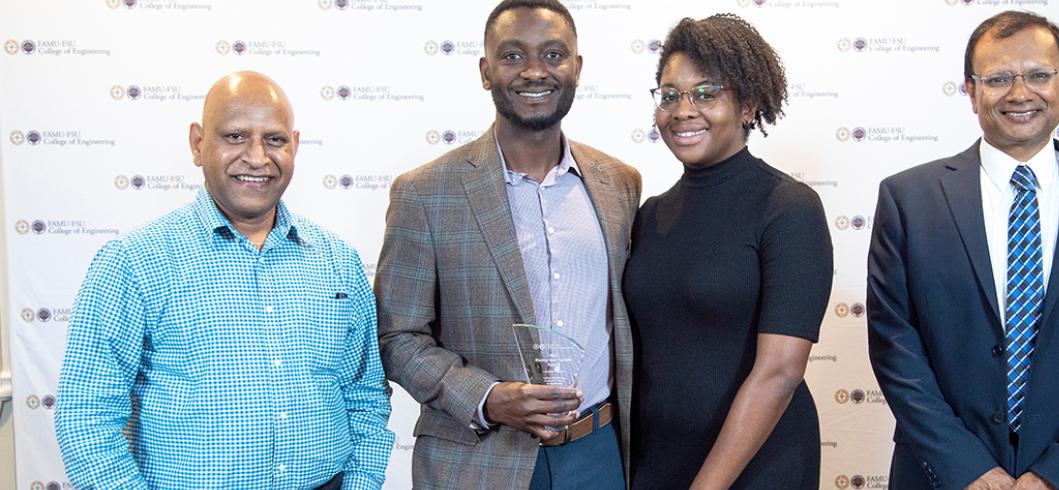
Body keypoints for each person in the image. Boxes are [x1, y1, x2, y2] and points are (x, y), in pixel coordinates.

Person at [54, 71, 395, 490]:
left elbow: (365, 397)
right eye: (235, 137)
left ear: (295, 146)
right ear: (198, 144)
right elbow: (86, 418)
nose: (256, 157)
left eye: (274, 139)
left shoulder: (338, 261)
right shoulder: (133, 263)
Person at [867, 11, 1059, 490]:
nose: (1020, 93)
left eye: (1039, 75)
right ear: (970, 90)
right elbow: (894, 347)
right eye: (999, 78)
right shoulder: (908, 200)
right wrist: (969, 470)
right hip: (942, 476)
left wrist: (1054, 477)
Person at [375, 1, 641, 489]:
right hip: (477, 462)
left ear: (577, 69)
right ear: (485, 70)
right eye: (513, 56)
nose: (535, 71)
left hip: (600, 455)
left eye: (554, 54)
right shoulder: (426, 192)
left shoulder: (620, 184)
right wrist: (487, 396)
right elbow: (398, 337)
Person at [622, 14, 832, 489]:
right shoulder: (650, 214)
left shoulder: (788, 207)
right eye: (670, 94)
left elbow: (780, 373)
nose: (683, 110)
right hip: (657, 462)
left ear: (749, 106)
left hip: (758, 464)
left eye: (706, 93)